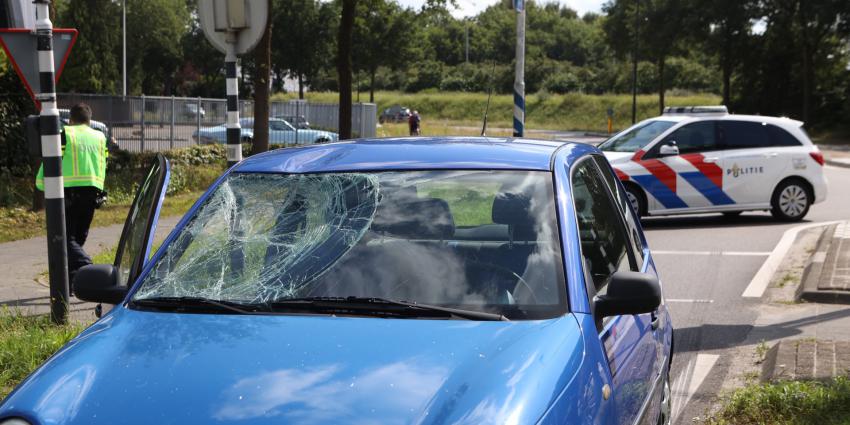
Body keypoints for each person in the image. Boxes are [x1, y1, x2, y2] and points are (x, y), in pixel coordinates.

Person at [35, 103, 109, 287]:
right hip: (93, 192)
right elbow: (104, 162)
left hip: (68, 192)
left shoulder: (66, 133)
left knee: (65, 239)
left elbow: (52, 160)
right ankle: (72, 281)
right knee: (78, 237)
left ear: (71, 120)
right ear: (89, 120)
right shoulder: (100, 137)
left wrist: (41, 182)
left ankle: (87, 266)